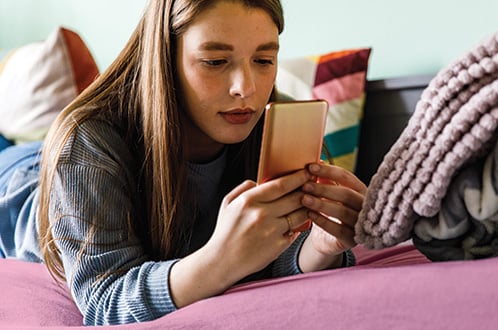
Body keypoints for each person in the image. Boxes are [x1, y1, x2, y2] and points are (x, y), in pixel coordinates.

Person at [0, 0, 367, 326]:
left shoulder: (274, 117)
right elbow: (103, 303)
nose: (247, 88)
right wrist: (220, 260)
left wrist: (320, 246)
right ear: (164, 59)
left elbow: (271, 259)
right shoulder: (85, 141)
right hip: (24, 184)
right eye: (216, 62)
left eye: (264, 60)